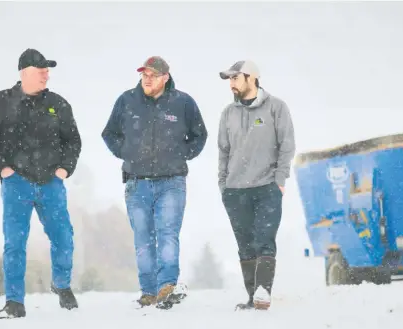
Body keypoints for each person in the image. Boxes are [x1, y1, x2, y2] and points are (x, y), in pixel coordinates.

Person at [0, 48, 82, 318]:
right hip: (16, 183)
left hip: (51, 183)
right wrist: (3, 168)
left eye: (48, 70)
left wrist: (64, 170)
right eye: (41, 69)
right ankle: (14, 302)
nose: (46, 74)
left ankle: (62, 284)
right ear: (24, 72)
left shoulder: (58, 104)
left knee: (63, 238)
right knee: (15, 243)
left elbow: (73, 141)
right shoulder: (0, 102)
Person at [101, 56, 207, 308]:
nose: (147, 79)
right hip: (137, 183)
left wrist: (181, 155)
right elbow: (109, 134)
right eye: (144, 75)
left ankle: (166, 287)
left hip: (172, 182)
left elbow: (199, 135)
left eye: (153, 75)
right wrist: (126, 152)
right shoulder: (126, 100)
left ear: (165, 77)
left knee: (168, 234)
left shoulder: (183, 103)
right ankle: (148, 291)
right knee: (143, 239)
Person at [217, 60, 295, 310]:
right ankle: (252, 297)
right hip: (235, 190)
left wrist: (279, 181)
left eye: (235, 78)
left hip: (267, 187)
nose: (231, 84)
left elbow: (287, 146)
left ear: (252, 78)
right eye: (229, 79)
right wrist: (223, 185)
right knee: (245, 245)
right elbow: (223, 151)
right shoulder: (228, 113)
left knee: (265, 239)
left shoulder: (276, 108)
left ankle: (263, 292)